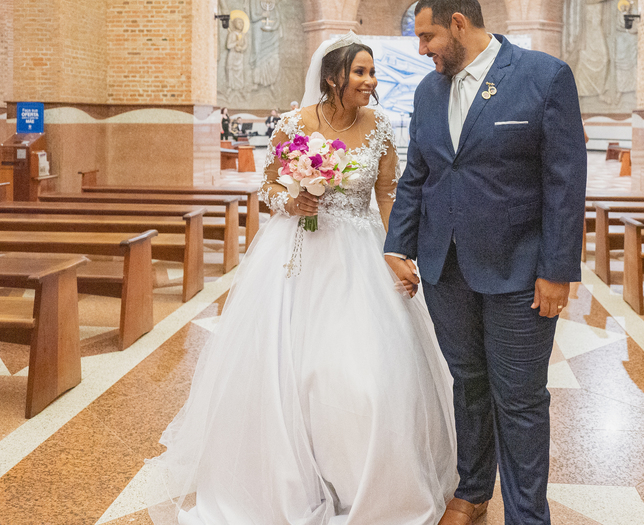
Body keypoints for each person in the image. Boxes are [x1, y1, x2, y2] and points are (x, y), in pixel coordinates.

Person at [144, 33, 457, 524]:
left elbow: (389, 196)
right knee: (296, 372)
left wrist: (396, 252)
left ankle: (369, 484)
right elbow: (269, 185)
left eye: (372, 72)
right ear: (333, 77)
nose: (370, 81)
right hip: (299, 256)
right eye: (360, 72)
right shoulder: (295, 124)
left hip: (361, 255)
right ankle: (295, 477)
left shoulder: (380, 126)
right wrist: (292, 200)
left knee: (366, 379)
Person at [384, 0, 588, 525]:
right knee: (468, 384)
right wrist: (397, 245)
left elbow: (565, 183)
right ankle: (473, 492)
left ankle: (526, 515)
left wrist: (558, 270)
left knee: (519, 400)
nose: (421, 49)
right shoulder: (430, 91)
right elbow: (418, 176)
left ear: (457, 23)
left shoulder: (543, 77)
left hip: (519, 269)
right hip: (446, 268)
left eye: (426, 35)